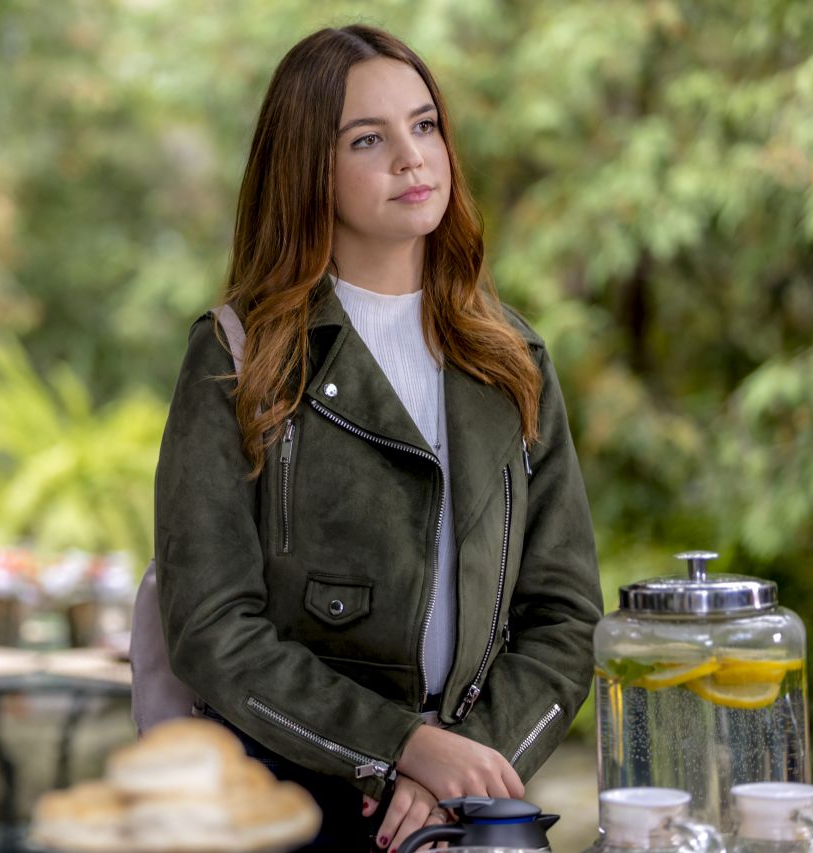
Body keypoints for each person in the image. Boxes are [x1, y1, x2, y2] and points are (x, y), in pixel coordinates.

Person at [152, 23, 603, 851]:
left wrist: (461, 771)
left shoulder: (512, 357)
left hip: (470, 808)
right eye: (368, 138)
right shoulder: (237, 354)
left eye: (424, 125)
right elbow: (211, 625)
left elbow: (564, 617)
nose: (412, 157)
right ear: (307, 168)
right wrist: (398, 746)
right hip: (281, 802)